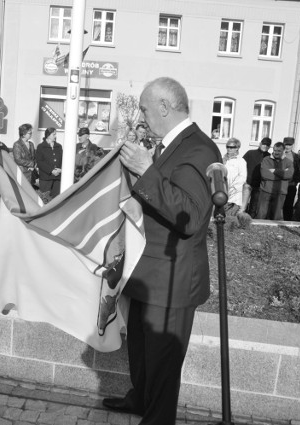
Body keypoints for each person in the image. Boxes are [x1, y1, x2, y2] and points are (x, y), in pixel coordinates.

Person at [103, 77, 221, 425]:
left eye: (143, 108)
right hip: (148, 272)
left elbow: (191, 217)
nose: (141, 116)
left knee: (162, 364)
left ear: (165, 107)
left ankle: (156, 418)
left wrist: (145, 170)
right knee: (141, 353)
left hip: (172, 280)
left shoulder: (198, 149)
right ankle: (140, 399)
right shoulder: (170, 145)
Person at [256, 142, 293, 220]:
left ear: (283, 151)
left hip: (280, 192)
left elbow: (289, 175)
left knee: (276, 218)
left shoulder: (288, 162)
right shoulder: (266, 160)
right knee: (261, 215)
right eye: (275, 150)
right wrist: (282, 174)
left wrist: (274, 171)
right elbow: (264, 174)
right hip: (266, 191)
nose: (276, 152)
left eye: (279, 151)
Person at [243, 137, 271, 218]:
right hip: (247, 183)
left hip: (259, 185)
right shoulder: (250, 153)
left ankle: (250, 222)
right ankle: (239, 219)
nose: (265, 146)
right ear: (260, 144)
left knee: (254, 206)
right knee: (243, 205)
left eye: (267, 145)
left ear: (269, 147)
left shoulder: (269, 157)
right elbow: (242, 165)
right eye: (263, 144)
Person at [36, 127, 62, 197]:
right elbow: (40, 162)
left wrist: (60, 170)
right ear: (48, 135)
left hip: (57, 178)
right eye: (54, 134)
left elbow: (62, 160)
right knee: (45, 199)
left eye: (55, 134)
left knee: (56, 199)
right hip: (46, 178)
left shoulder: (59, 146)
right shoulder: (41, 147)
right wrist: (51, 171)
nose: (55, 136)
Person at [223, 137, 247, 211]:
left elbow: (242, 178)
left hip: (234, 197)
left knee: (230, 219)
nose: (229, 149)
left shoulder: (241, 161)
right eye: (227, 146)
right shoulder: (222, 159)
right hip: (221, 195)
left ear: (237, 148)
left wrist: (231, 189)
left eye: (232, 147)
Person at [282, 137, 300, 221]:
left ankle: (287, 221)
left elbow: (298, 170)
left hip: (291, 184)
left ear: (292, 145)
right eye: (286, 144)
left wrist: (295, 181)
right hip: (280, 184)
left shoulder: (296, 157)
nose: (287, 147)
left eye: (289, 145)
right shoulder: (278, 154)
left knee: (289, 204)